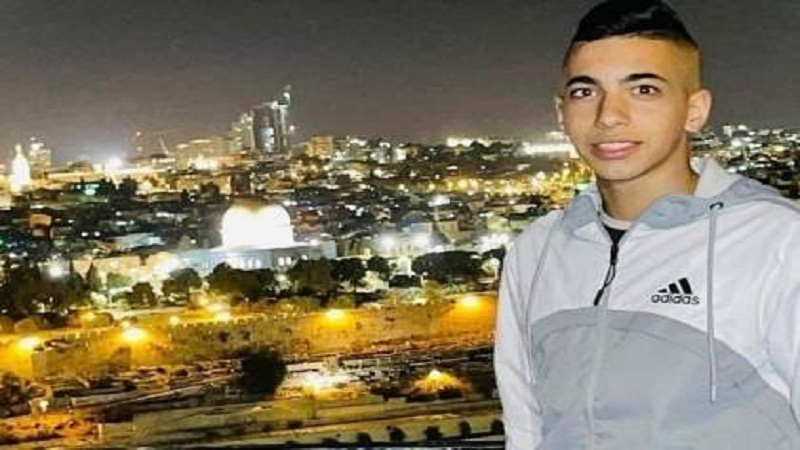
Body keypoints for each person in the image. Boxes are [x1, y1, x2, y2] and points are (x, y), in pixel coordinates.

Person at [493, 0, 800, 448]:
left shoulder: (777, 242)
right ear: (561, 113)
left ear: (694, 110)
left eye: (643, 89)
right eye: (584, 92)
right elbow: (526, 428)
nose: (608, 115)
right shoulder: (537, 251)